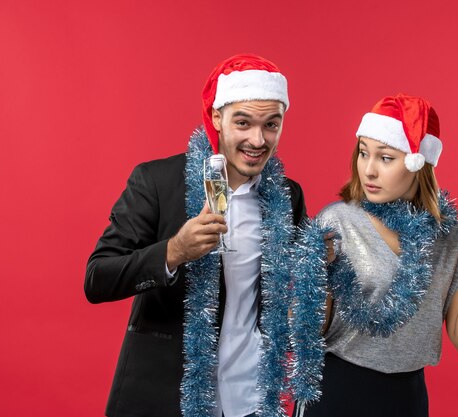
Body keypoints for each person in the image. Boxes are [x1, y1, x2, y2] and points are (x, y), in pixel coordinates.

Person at [85, 54, 307, 417]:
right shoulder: (156, 182)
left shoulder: (286, 196)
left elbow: (293, 292)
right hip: (166, 396)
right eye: (243, 122)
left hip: (251, 399)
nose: (258, 139)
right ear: (217, 118)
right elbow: (97, 279)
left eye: (271, 124)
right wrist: (173, 251)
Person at [290, 94, 458, 417]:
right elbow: (305, 331)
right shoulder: (337, 222)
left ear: (418, 164)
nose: (369, 170)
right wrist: (316, 274)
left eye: (386, 158)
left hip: (406, 397)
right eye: (363, 154)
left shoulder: (452, 236)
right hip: (337, 390)